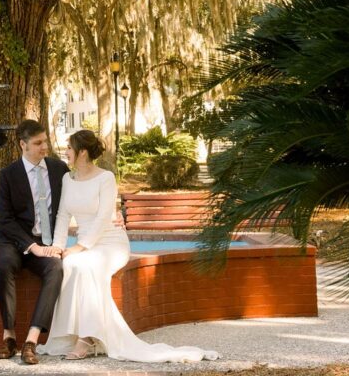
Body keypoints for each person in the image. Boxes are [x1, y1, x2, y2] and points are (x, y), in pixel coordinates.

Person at [37, 129, 220, 363]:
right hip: (88, 243)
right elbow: (62, 216)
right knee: (70, 263)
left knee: (83, 266)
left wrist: (80, 247)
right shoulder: (67, 179)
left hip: (110, 242)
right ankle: (74, 333)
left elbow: (104, 218)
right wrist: (59, 246)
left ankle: (87, 338)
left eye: (70, 148)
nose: (66, 152)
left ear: (82, 152)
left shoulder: (105, 178)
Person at [0, 119, 67, 366]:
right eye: (38, 143)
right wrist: (31, 246)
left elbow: (75, 202)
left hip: (44, 242)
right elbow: (5, 220)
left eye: (45, 141)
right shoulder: (8, 175)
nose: (44, 147)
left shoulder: (59, 169)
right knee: (4, 266)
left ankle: (31, 341)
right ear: (23, 145)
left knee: (56, 269)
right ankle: (9, 336)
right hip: (13, 240)